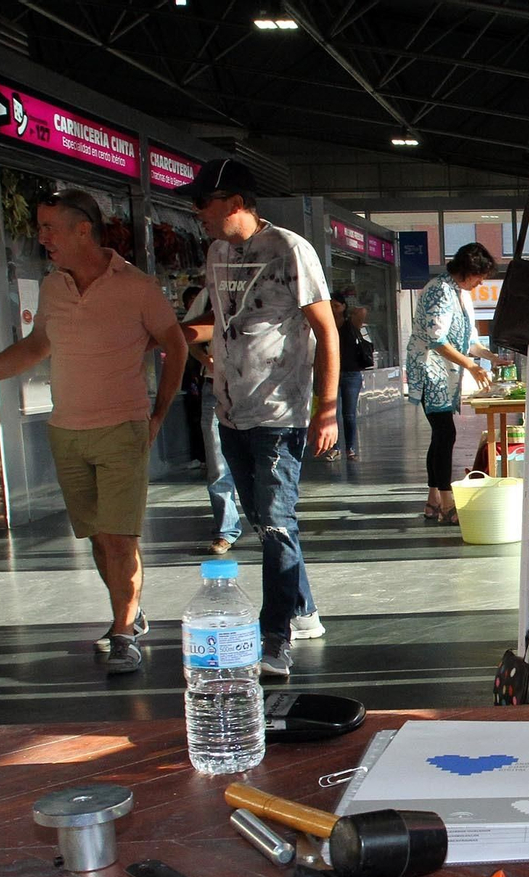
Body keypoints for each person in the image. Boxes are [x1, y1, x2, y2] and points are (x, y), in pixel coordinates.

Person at [0, 189, 188, 676]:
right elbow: (36, 346)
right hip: (66, 431)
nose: (41, 238)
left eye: (49, 228)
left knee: (119, 535)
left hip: (122, 429)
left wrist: (157, 415)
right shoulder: (52, 287)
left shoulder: (138, 286)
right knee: (95, 537)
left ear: (82, 229)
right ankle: (127, 612)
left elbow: (175, 344)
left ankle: (124, 632)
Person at [177, 160, 335, 677]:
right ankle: (305, 611)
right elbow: (220, 321)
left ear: (235, 201)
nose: (196, 212)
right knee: (270, 523)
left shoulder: (291, 249)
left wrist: (326, 410)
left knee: (273, 524)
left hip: (278, 413)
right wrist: (177, 336)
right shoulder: (216, 253)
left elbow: (327, 332)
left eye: (203, 202)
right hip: (230, 412)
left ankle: (275, 637)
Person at [405, 242, 494, 525]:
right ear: (468, 271)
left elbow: (467, 341)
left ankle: (433, 499)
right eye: (480, 276)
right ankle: (446, 501)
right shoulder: (440, 290)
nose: (481, 282)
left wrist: (490, 357)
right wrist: (470, 365)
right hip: (431, 369)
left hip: (445, 372)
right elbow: (437, 339)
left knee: (440, 435)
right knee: (445, 434)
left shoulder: (458, 292)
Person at [181, 284, 243, 555]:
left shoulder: (266, 284)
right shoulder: (209, 293)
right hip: (215, 389)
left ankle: (271, 524)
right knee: (218, 465)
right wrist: (206, 360)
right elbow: (188, 335)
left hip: (260, 389)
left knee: (262, 462)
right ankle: (226, 529)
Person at [334, 295, 371, 461]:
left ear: (343, 306)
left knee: (349, 414)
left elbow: (362, 311)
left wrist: (348, 307)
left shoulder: (351, 324)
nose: (332, 309)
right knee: (332, 414)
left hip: (351, 374)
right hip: (332, 374)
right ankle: (334, 448)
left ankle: (350, 448)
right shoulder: (325, 323)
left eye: (336, 305)